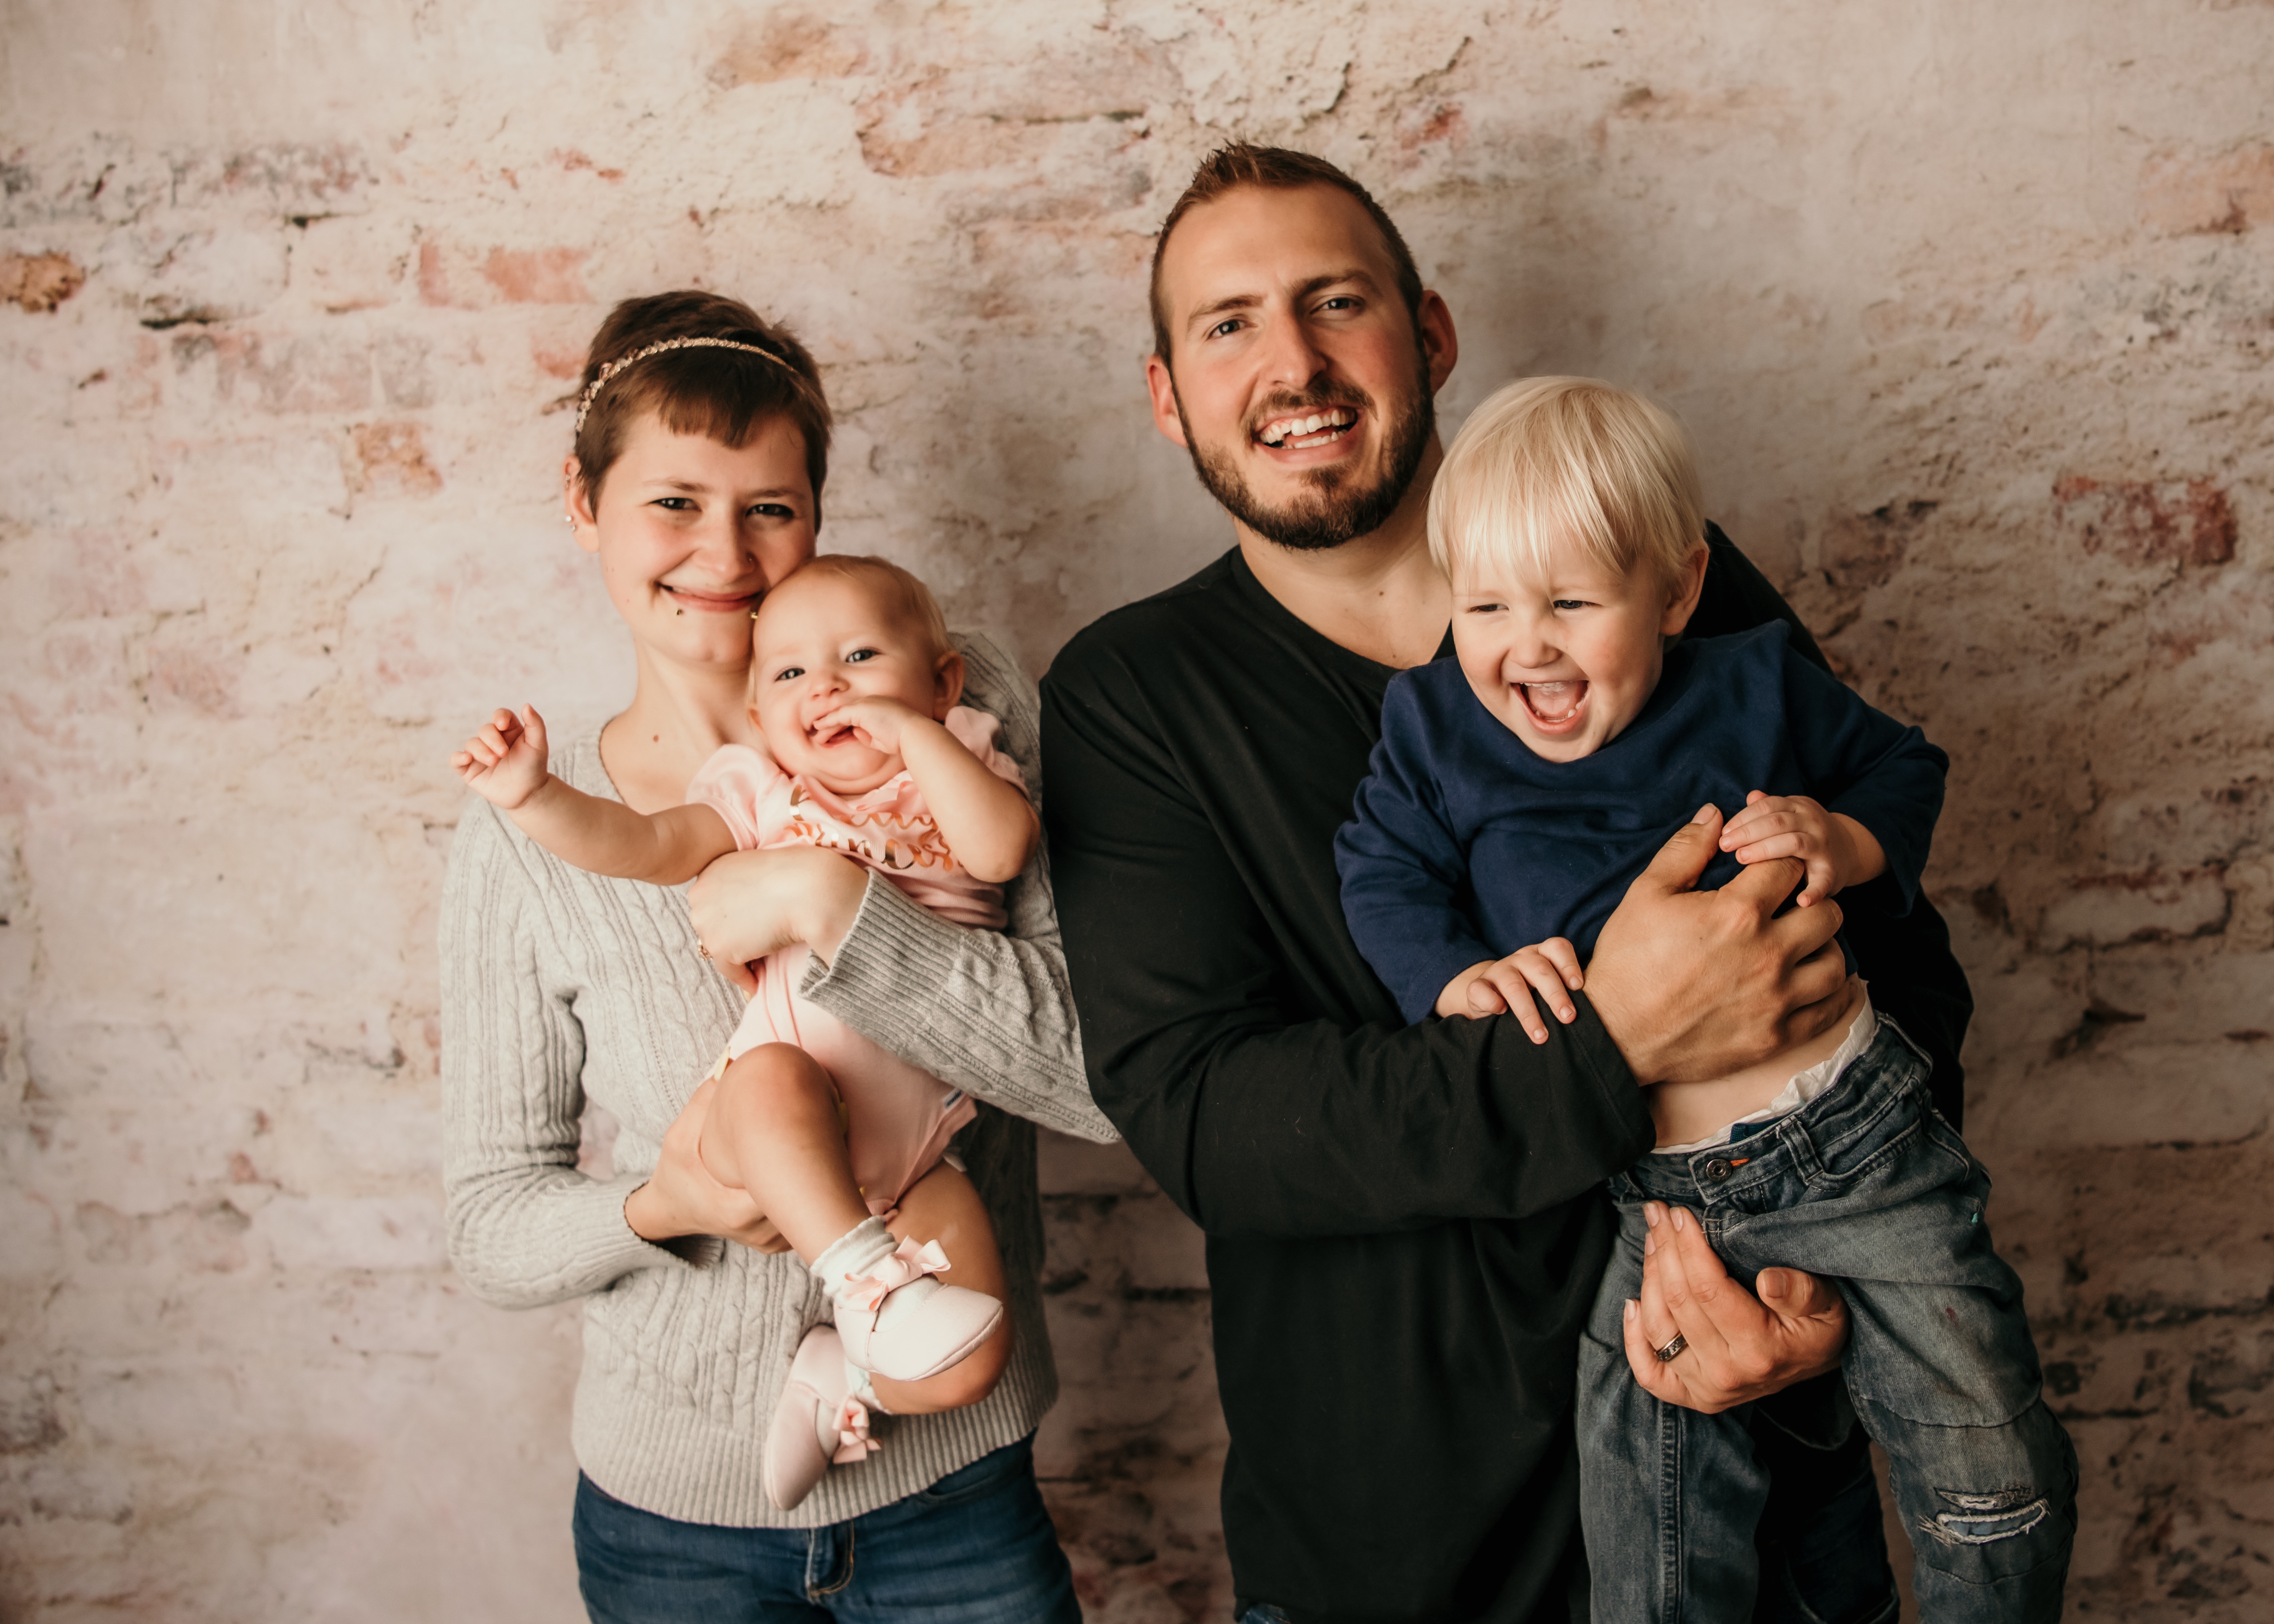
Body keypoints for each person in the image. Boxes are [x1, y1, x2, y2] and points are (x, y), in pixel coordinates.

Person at [1040, 144, 1973, 1623]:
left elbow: (1901, 967)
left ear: (1431, 334)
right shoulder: (1134, 697)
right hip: (1401, 1554)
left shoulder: (1655, 570)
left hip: (1754, 1490)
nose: (1293, 364)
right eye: (1227, 324)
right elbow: (1217, 1121)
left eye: (1336, 301)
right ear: (1168, 396)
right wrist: (1616, 1043)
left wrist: (1824, 1294)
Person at [1335, 376, 2076, 1621]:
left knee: (1987, 1454)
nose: (1528, 645)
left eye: (1572, 602)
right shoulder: (1431, 727)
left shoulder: (1756, 684)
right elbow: (1380, 871)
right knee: (1650, 1521)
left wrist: (1841, 839)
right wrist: (1454, 973)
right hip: (1657, 1191)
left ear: (1675, 593)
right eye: (1485, 605)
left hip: (1857, 1146)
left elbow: (1904, 766)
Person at [441, 290, 1106, 1621]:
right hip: (672, 1527)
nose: (724, 553)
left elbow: (1100, 1078)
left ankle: (861, 1359)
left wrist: (832, 902)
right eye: (672, 502)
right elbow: (488, 1224)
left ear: (816, 514)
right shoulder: (527, 836)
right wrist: (664, 1203)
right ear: (583, 503)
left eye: (770, 508)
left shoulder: (955, 708)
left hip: (954, 1486)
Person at [452, 551, 1037, 1511]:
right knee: (770, 1077)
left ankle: (844, 1372)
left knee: (968, 1358)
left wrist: (915, 737)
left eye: (861, 658)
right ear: (763, 719)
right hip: (772, 1114)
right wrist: (534, 798)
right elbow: (644, 846)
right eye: (793, 673)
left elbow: (1000, 851)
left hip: (922, 1155)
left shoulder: (965, 762)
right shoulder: (765, 795)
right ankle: (858, 1275)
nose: (829, 687)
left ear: (944, 683)